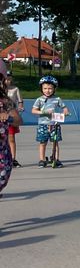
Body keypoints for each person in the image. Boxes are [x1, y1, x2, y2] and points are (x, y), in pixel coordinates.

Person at [31, 75, 68, 168]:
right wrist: (43, 112)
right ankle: (42, 159)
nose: (47, 90)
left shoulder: (57, 99)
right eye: (45, 88)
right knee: (43, 142)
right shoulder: (39, 99)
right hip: (43, 124)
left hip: (54, 124)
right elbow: (33, 110)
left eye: (50, 88)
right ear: (41, 89)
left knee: (55, 143)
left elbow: (65, 109)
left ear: (54, 88)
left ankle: (56, 159)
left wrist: (65, 113)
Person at [5, 70, 24, 167]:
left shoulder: (15, 89)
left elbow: (20, 101)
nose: (7, 81)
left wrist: (20, 107)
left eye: (9, 79)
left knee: (11, 137)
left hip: (11, 115)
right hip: (2, 115)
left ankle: (13, 158)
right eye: (5, 79)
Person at [0, 62, 13, 194]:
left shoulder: (5, 101)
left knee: (3, 175)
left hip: (2, 149)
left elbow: (18, 120)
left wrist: (8, 116)